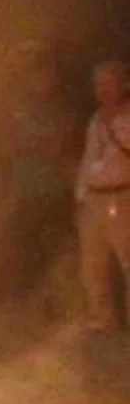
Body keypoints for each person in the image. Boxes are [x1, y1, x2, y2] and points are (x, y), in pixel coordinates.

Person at [76, 60, 130, 331]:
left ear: (124, 84)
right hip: (95, 199)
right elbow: (88, 160)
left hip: (122, 196)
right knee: (92, 263)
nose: (102, 89)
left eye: (108, 83)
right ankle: (102, 318)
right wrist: (81, 196)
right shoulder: (96, 120)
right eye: (98, 84)